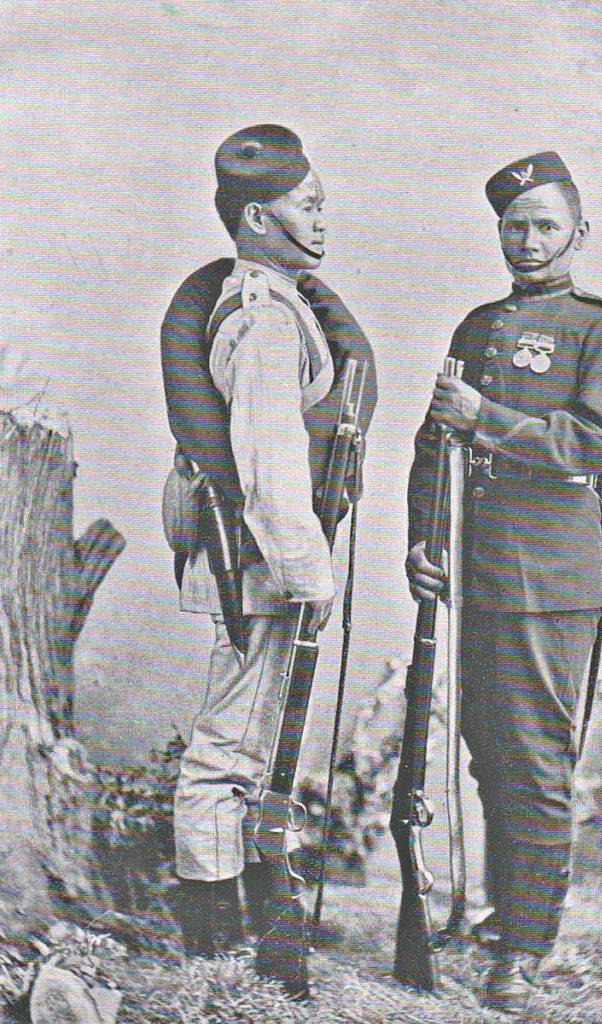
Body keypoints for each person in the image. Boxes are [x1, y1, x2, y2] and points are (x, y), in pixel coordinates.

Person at [406, 151, 602, 1015]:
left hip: (551, 573)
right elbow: (436, 444)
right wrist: (421, 543)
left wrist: (489, 421)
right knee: (484, 748)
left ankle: (522, 952)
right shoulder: (474, 326)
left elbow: (594, 439)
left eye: (545, 225)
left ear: (578, 232)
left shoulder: (600, 327)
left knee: (536, 763)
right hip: (476, 572)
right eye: (514, 225)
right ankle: (507, 912)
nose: (528, 240)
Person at [160, 124, 377, 959]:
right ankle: (211, 945)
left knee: (246, 748)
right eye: (307, 204)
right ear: (258, 218)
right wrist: (305, 572)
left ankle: (238, 926)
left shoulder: (276, 305)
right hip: (261, 564)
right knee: (228, 750)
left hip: (258, 561)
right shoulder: (266, 321)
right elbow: (269, 462)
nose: (323, 219)